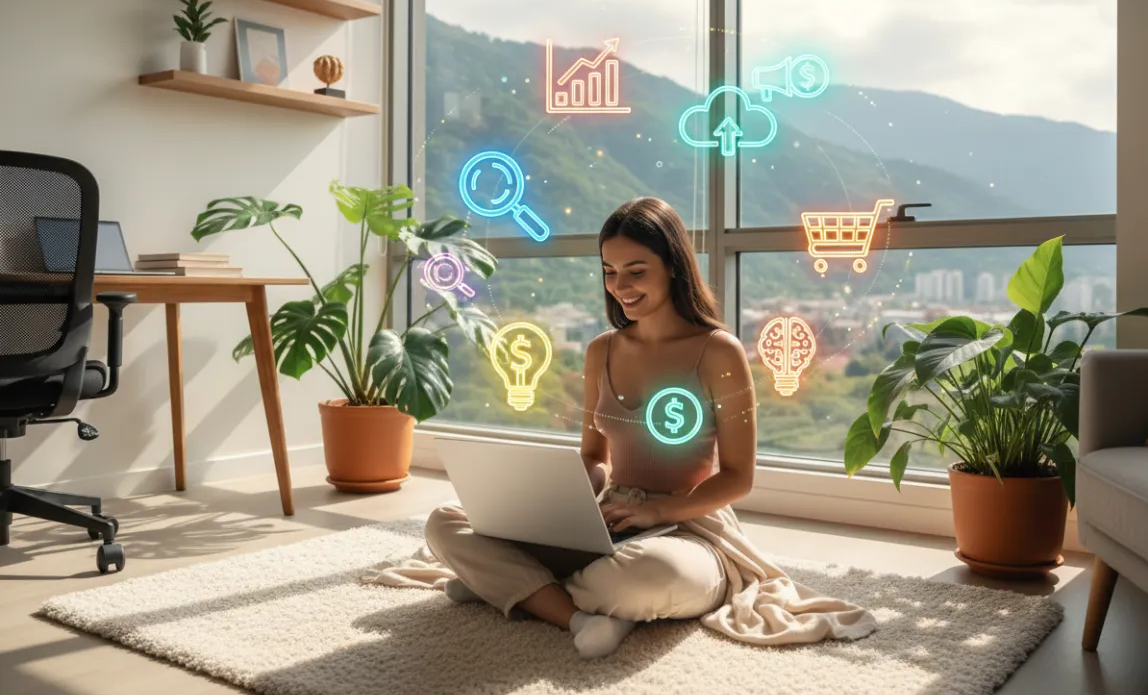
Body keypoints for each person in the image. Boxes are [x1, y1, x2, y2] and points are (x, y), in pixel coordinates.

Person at [362, 197, 877, 659]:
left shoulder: (719, 352)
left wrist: (655, 509)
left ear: (673, 268)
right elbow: (594, 455)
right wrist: (559, 506)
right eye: (609, 271)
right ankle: (573, 615)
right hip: (606, 517)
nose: (620, 287)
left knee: (648, 578)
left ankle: (513, 585)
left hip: (686, 525)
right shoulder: (601, 350)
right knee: (443, 523)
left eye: (636, 271)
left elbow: (738, 478)